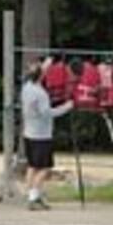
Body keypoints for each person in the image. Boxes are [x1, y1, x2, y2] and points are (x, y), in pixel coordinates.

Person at [20, 59, 73, 210]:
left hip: (29, 133)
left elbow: (37, 72)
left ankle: (31, 195)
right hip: (41, 135)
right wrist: (66, 107)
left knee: (32, 166)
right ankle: (34, 197)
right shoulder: (41, 93)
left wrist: (47, 62)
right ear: (41, 76)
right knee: (44, 168)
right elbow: (47, 113)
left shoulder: (26, 88)